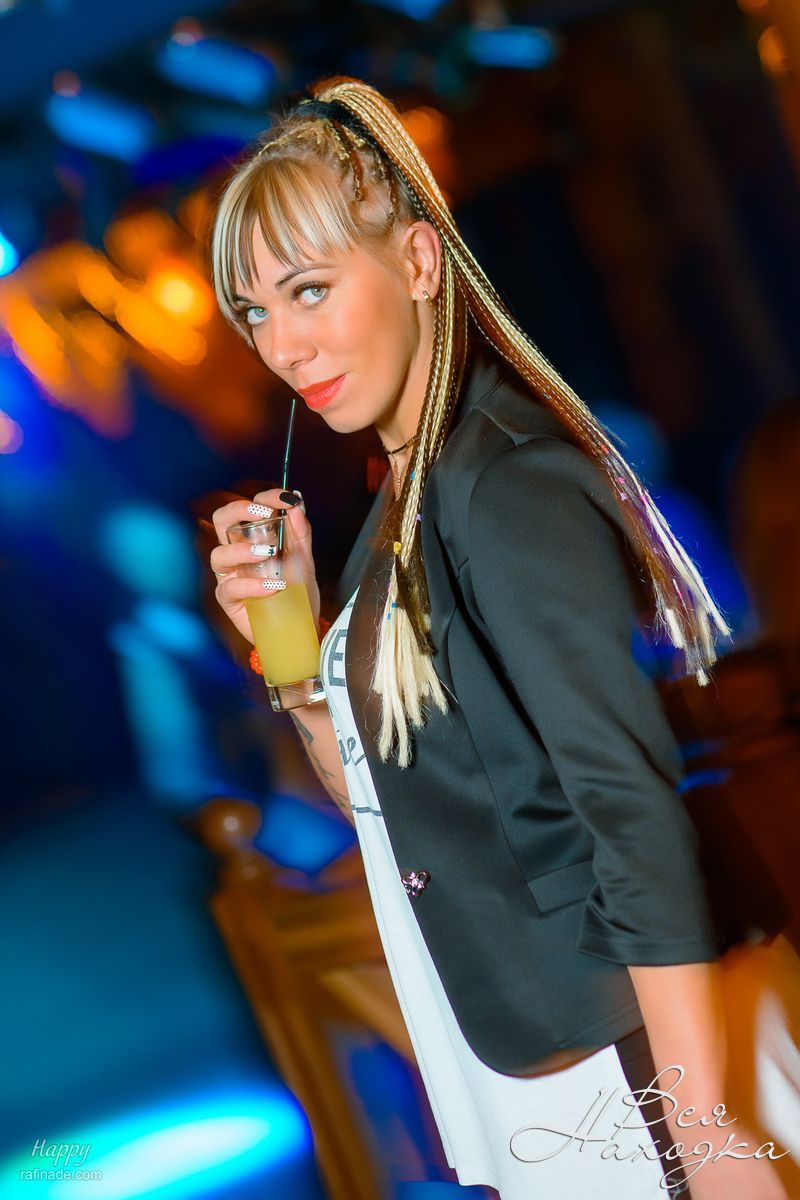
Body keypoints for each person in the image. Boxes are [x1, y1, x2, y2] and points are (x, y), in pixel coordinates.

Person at [204, 76, 797, 1198]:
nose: (283, 345)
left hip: (626, 1061)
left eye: (309, 290)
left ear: (419, 262)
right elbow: (393, 802)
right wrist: (296, 665)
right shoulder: (402, 504)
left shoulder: (505, 486)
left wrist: (700, 1121)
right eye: (255, 313)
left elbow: (626, 806)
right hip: (530, 1052)